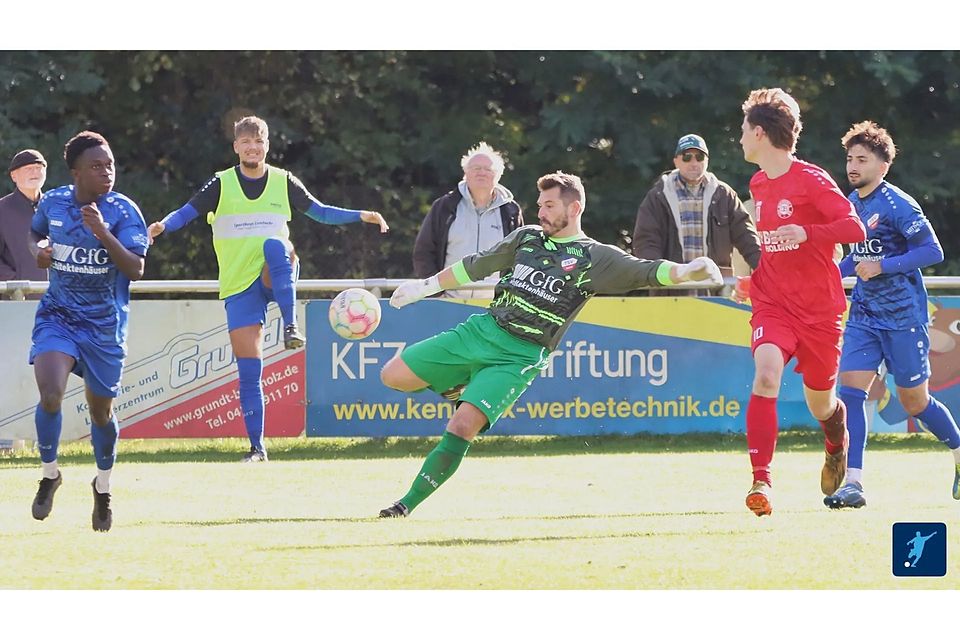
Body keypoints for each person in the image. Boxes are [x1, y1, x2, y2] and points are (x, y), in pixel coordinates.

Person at [377, 171, 722, 517]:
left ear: (574, 208)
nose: (540, 212)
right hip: (481, 330)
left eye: (549, 204)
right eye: (540, 204)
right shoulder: (526, 238)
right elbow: (475, 266)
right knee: (392, 376)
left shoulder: (595, 257)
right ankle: (458, 386)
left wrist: (688, 271)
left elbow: (645, 271)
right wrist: (424, 287)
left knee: (462, 426)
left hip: (520, 356)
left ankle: (405, 505)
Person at [148, 116, 388, 462]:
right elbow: (186, 212)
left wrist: (362, 215)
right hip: (239, 284)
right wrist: (162, 226)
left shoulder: (283, 181)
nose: (252, 146)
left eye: (258, 141)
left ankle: (292, 325)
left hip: (277, 274)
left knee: (275, 247)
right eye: (245, 141)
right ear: (236, 147)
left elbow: (320, 212)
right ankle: (257, 449)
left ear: (267, 145)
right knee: (249, 371)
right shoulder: (221, 183)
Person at [734, 88, 866, 517]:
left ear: (758, 133)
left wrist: (809, 233)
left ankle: (835, 441)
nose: (739, 138)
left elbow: (854, 228)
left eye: (742, 130)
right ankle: (761, 482)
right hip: (772, 303)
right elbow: (758, 240)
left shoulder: (811, 179)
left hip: (819, 311)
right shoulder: (756, 183)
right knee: (767, 376)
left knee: (821, 404)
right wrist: (747, 277)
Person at [824, 121, 960, 509]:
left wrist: (884, 266)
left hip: (904, 318)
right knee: (849, 395)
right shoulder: (851, 203)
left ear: (883, 166)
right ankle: (854, 484)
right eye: (849, 158)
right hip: (865, 314)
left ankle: (959, 454)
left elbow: (932, 251)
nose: (852, 165)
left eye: (862, 159)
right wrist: (830, 277)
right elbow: (856, 257)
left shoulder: (898, 204)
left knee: (915, 402)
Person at [27, 131, 149, 532]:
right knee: (50, 394)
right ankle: (49, 475)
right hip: (59, 316)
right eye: (96, 167)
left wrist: (102, 233)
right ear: (76, 173)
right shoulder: (54, 202)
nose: (106, 173)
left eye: (110, 165)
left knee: (101, 413)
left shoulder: (123, 211)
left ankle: (102, 486)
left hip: (104, 325)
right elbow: (35, 233)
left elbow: (135, 268)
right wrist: (38, 251)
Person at [633, 134, 760, 295]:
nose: (694, 163)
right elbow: (646, 243)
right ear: (676, 161)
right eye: (687, 157)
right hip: (671, 292)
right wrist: (655, 278)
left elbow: (747, 238)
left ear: (707, 160)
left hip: (715, 292)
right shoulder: (658, 196)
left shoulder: (724, 194)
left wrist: (767, 273)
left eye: (699, 157)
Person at [413, 141, 522, 298]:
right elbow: (423, 252)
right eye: (476, 168)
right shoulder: (444, 206)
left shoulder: (511, 211)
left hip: (492, 306)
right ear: (466, 173)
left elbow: (519, 257)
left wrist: (506, 297)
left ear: (498, 175)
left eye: (487, 169)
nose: (481, 173)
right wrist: (435, 293)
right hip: (448, 301)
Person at [0, 149, 49, 296]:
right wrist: (15, 282)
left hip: (58, 301)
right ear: (14, 175)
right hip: (17, 300)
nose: (35, 173)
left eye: (39, 168)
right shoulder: (2, 210)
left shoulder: (57, 206)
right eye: (28, 169)